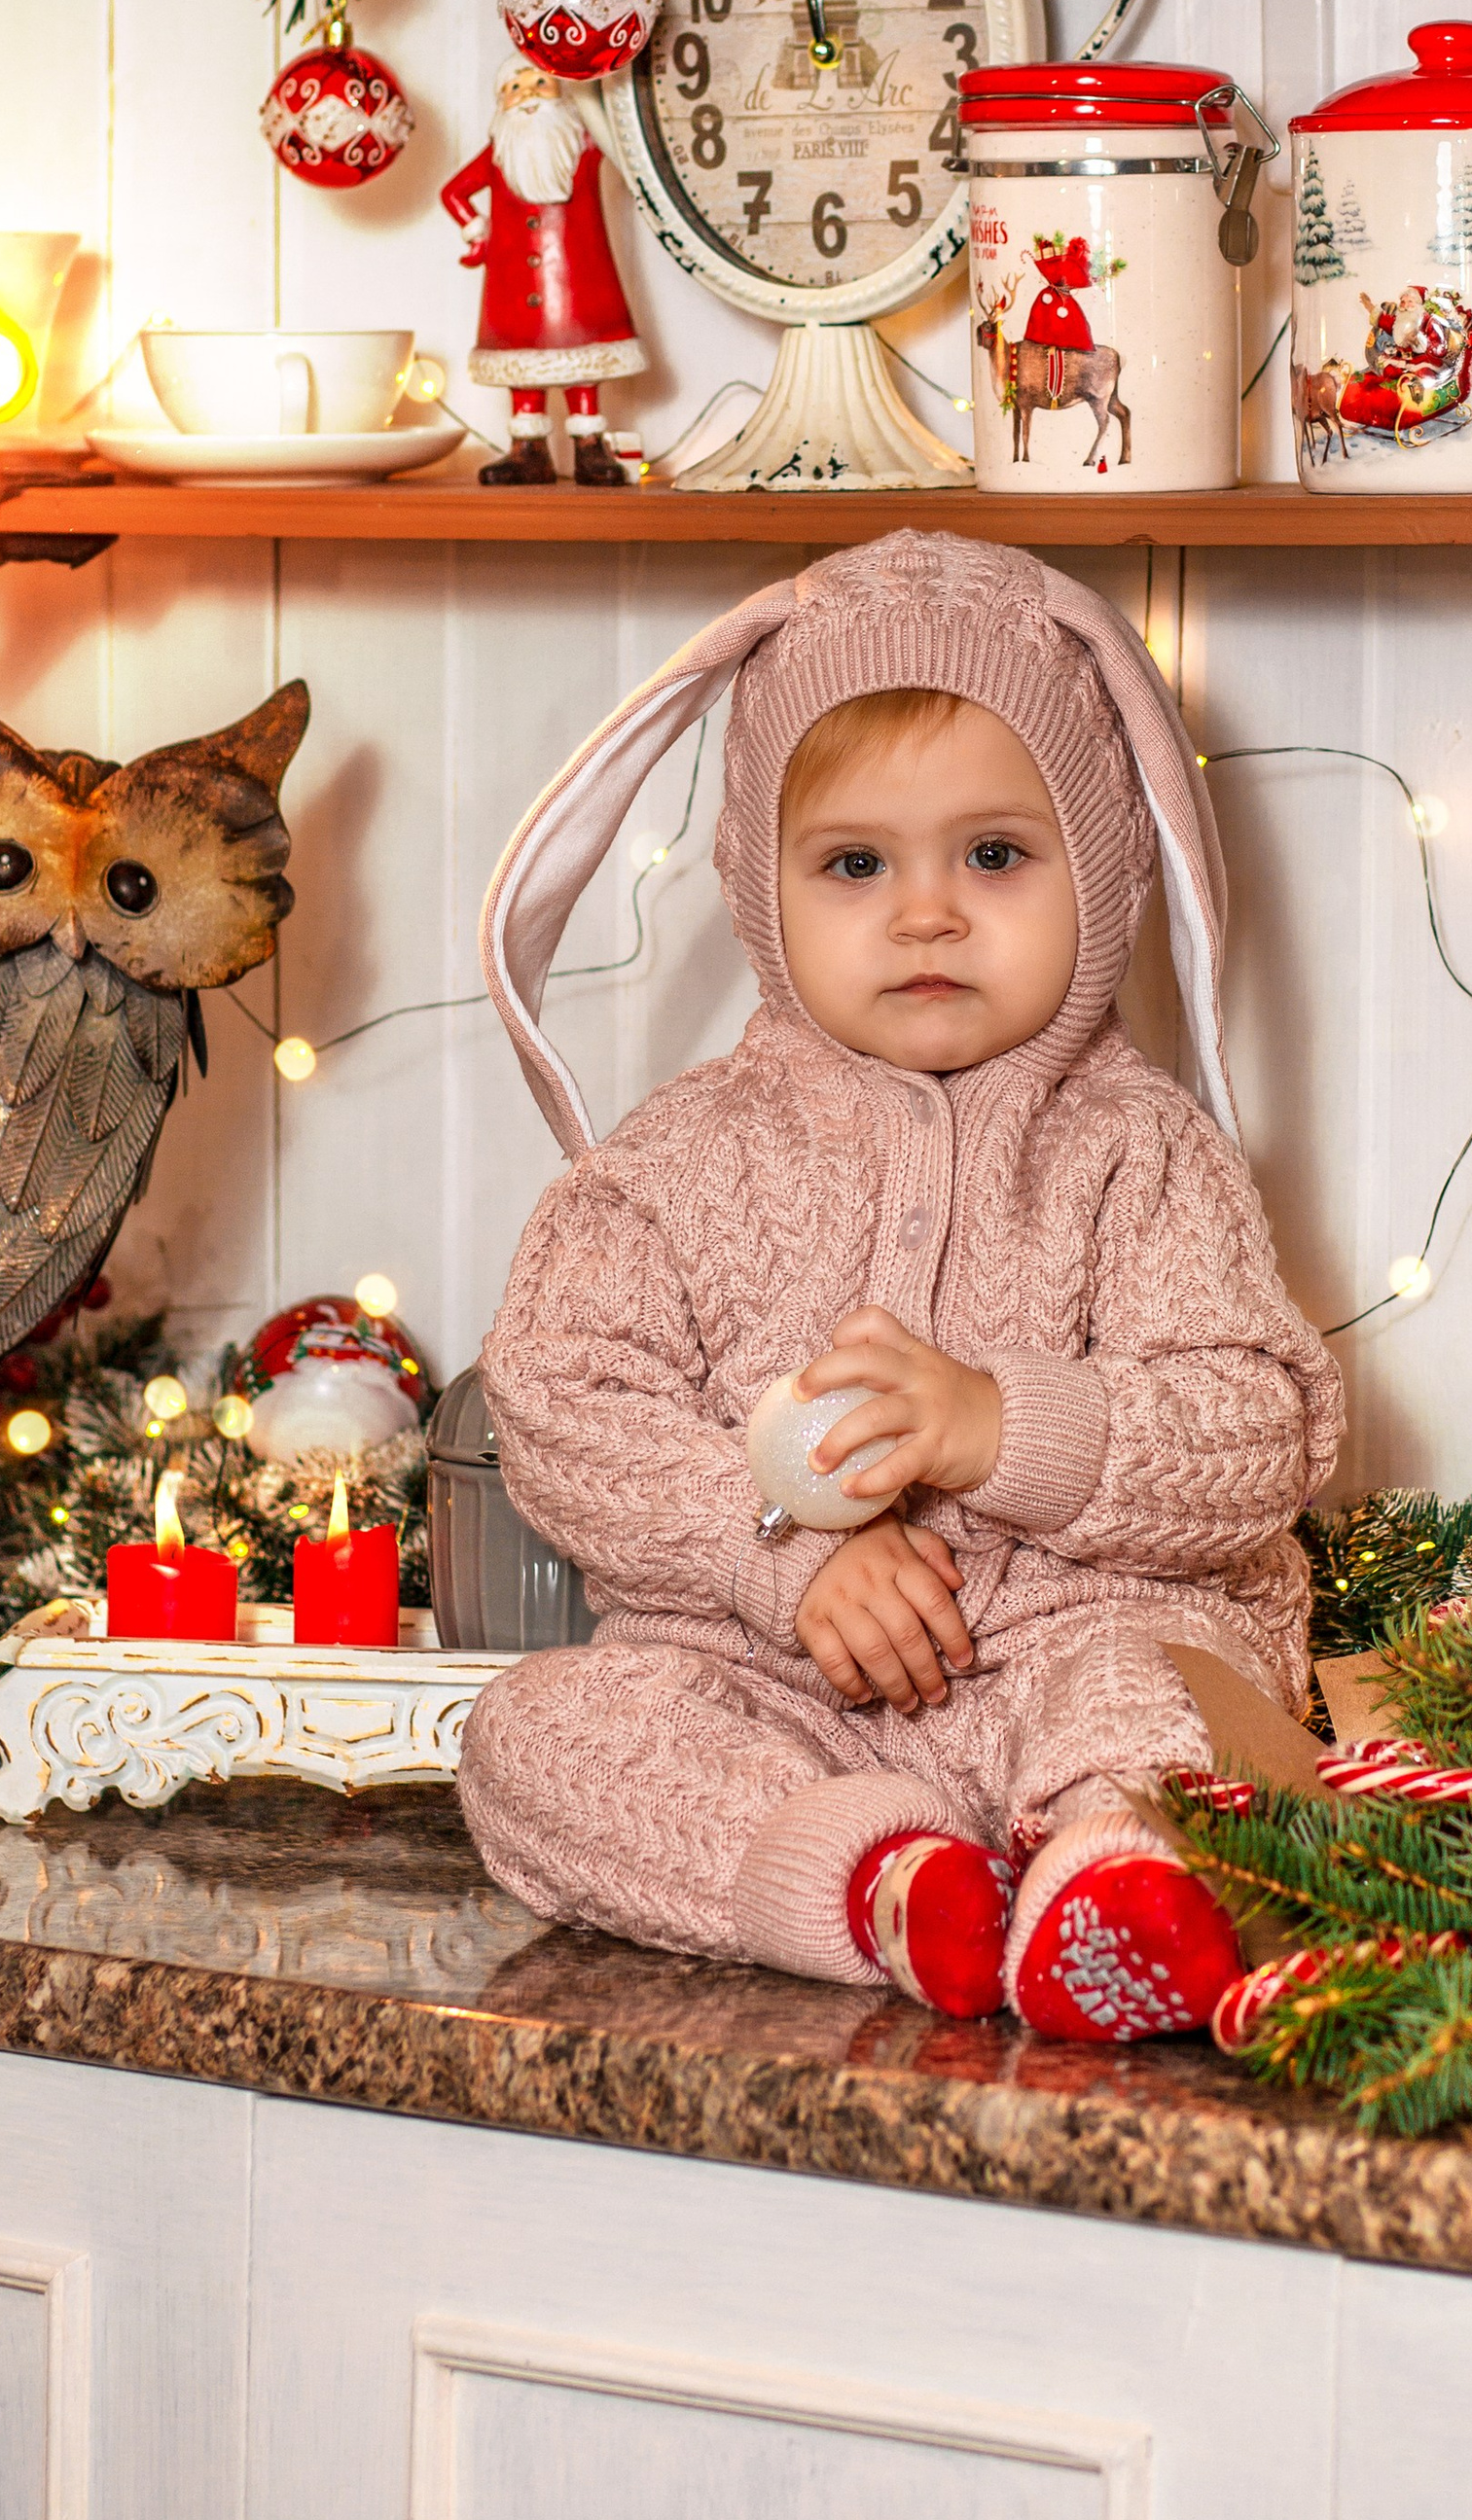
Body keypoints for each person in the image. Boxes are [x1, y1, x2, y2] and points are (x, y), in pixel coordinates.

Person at [457, 532, 1343, 2041]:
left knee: (1173, 1699)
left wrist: (1002, 1428)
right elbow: (560, 1405)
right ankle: (889, 1889)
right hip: (780, 1691)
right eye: (856, 864)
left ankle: (1114, 1880)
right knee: (534, 1737)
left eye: (994, 856)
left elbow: (1259, 1427)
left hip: (1077, 1646)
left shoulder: (1140, 1148)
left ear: (1104, 868)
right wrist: (779, 1561)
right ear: (762, 885)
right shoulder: (687, 1158)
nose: (926, 913)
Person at [439, 54, 646, 485]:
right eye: (514, 88)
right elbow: (454, 191)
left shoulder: (584, 142)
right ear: (501, 104)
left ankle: (590, 444)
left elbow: (627, 154)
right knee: (522, 363)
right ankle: (528, 448)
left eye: (539, 82)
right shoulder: (500, 153)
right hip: (513, 286)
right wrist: (477, 232)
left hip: (580, 281)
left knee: (582, 359)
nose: (528, 93)